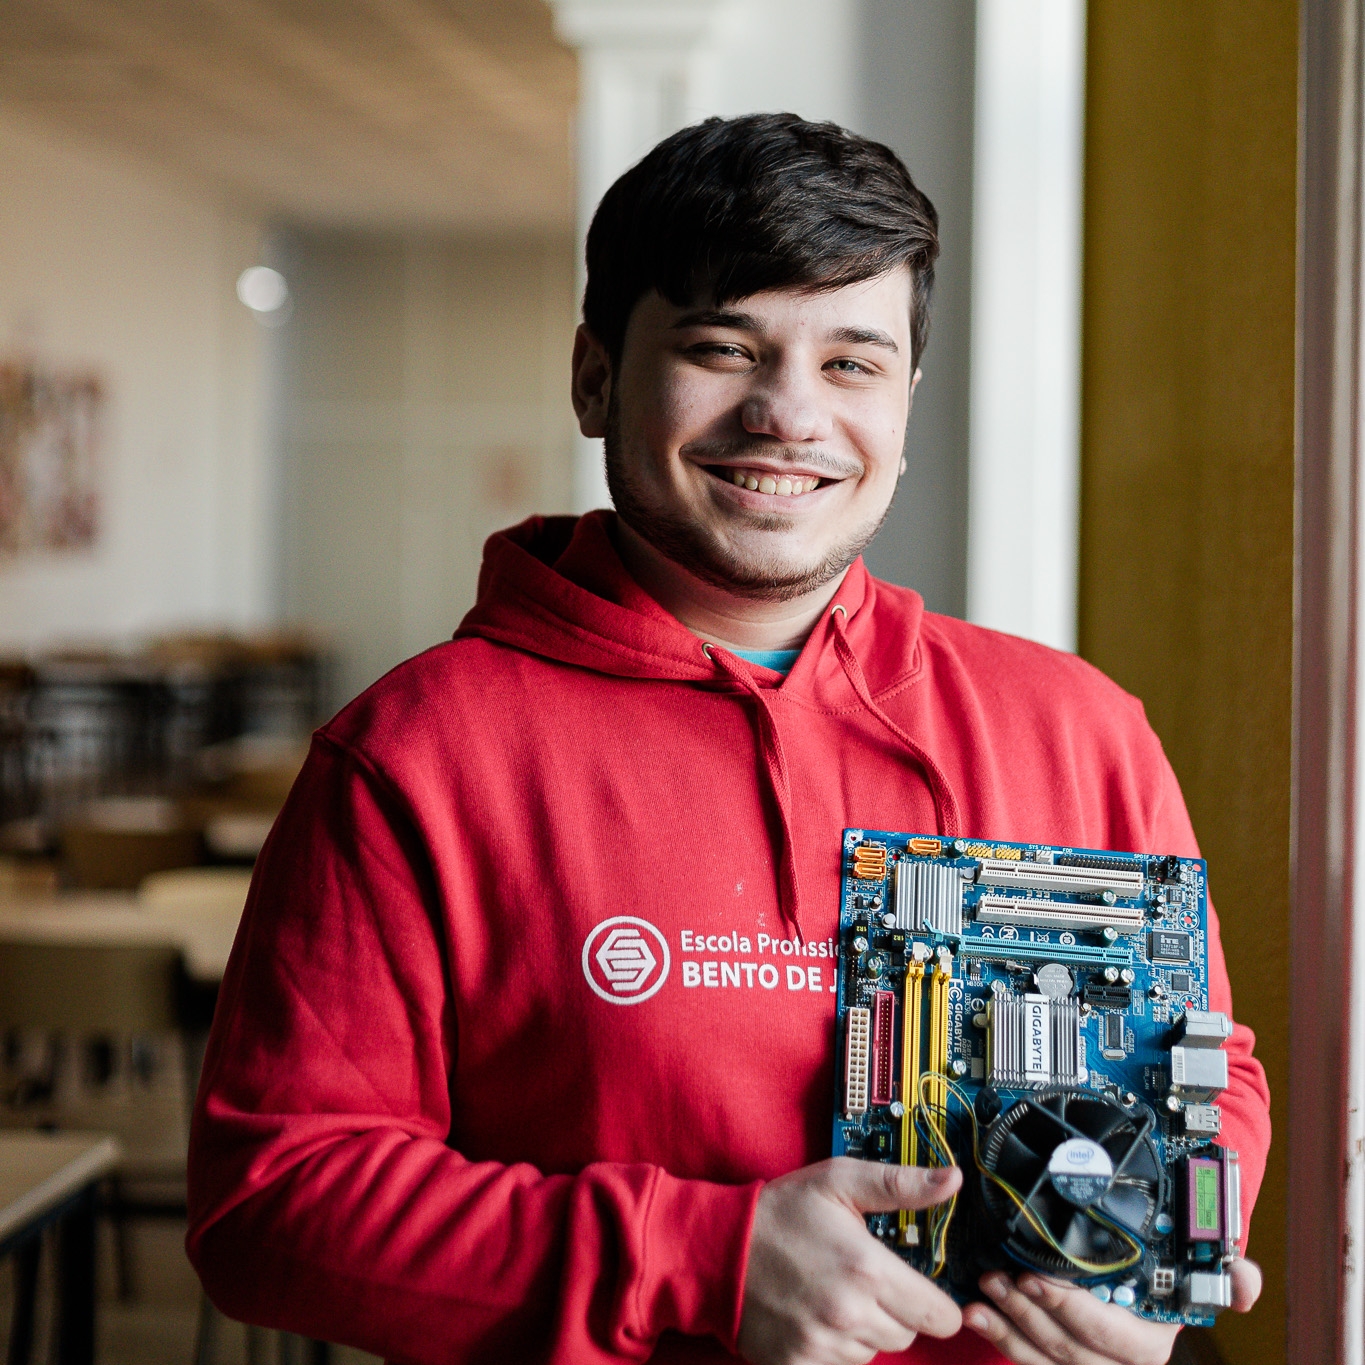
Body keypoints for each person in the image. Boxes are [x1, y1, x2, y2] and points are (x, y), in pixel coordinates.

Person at [186, 113, 1270, 1365]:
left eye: (853, 364)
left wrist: (1160, 1247)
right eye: (722, 347)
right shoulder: (416, 757)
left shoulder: (1080, 729)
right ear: (595, 376)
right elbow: (271, 1203)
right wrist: (705, 1260)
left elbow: (1209, 1071)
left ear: (907, 403)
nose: (787, 414)